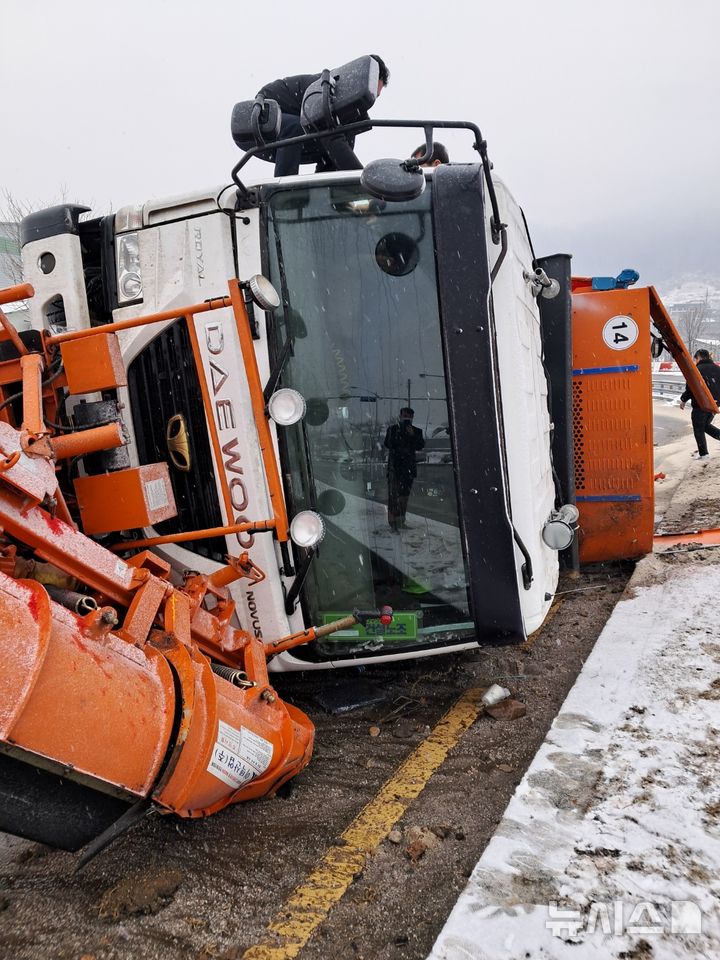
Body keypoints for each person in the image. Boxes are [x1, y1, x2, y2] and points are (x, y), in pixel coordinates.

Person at [257, 56, 390, 177]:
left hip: (303, 130)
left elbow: (340, 156)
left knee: (333, 150)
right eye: (371, 91)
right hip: (264, 112)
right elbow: (331, 138)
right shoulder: (327, 89)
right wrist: (363, 183)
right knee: (296, 128)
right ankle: (283, 193)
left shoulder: (348, 117)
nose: (371, 99)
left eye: (375, 96)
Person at [384, 408, 425, 532]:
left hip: (408, 470)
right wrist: (400, 433)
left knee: (404, 497)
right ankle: (392, 523)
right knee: (393, 497)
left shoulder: (417, 431)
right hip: (394, 468)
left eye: (409, 416)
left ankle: (401, 521)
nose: (406, 418)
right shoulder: (392, 429)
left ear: (412, 417)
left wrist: (412, 435)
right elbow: (388, 444)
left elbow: (420, 446)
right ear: (400, 416)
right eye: (404, 416)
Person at [679, 349, 720, 459]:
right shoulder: (718, 369)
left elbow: (691, 388)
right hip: (714, 405)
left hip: (701, 404)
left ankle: (704, 454)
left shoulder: (696, 370)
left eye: (695, 359)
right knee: (705, 425)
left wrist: (683, 399)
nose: (695, 361)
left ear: (699, 358)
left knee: (698, 428)